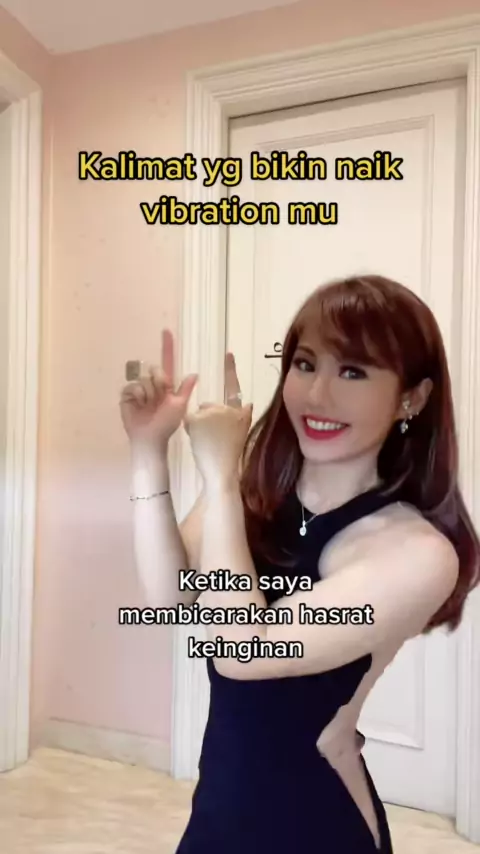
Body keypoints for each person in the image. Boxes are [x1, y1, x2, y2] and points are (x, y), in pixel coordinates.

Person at [119, 273, 480, 854]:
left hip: (316, 822)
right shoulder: (256, 490)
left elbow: (244, 653)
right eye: (305, 364)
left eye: (353, 372)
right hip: (219, 811)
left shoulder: (419, 552)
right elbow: (169, 595)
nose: (316, 395)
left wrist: (220, 477)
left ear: (411, 397)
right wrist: (147, 448)